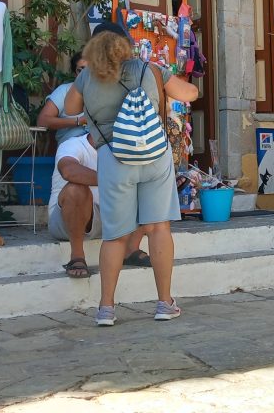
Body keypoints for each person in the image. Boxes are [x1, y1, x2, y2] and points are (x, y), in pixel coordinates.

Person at [64, 22, 198, 326]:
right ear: (126, 43)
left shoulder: (85, 77)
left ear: (93, 48)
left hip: (113, 158)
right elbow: (190, 93)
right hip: (153, 155)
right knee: (158, 228)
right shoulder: (148, 69)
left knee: (115, 236)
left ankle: (106, 309)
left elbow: (71, 108)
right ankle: (164, 303)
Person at [48, 132, 152, 278]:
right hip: (65, 221)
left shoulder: (126, 149)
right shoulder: (74, 144)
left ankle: (130, 249)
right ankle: (77, 255)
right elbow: (68, 171)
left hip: (109, 219)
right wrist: (114, 180)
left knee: (147, 182)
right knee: (75, 189)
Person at [37, 53, 89, 145]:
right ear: (75, 74)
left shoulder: (105, 93)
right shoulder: (64, 91)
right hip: (71, 145)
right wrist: (79, 121)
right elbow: (42, 121)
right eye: (81, 70)